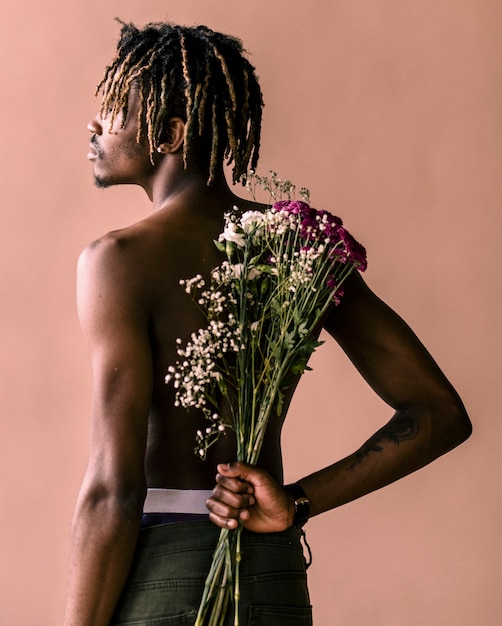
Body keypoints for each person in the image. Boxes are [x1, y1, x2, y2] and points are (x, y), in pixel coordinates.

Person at [64, 20, 472, 626]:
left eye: (113, 111)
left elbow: (112, 493)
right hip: (271, 572)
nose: (93, 127)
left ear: (171, 135)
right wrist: (295, 504)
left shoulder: (117, 262)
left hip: (163, 576)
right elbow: (438, 414)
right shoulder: (295, 246)